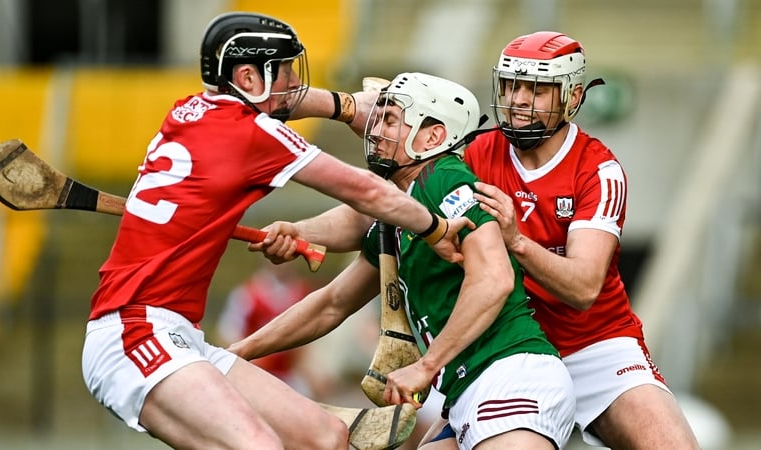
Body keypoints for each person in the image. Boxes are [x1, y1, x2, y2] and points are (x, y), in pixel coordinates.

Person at [251, 31, 701, 450]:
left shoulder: (596, 171)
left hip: (592, 346)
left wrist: (517, 242)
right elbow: (380, 203)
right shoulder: (472, 153)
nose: (519, 101)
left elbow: (583, 288)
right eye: (510, 87)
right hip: (498, 349)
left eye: (535, 89)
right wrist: (303, 225)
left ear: (573, 97)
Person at [80, 12, 474, 450]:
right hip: (136, 332)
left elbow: (283, 113)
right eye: (284, 70)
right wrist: (436, 228)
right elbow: (365, 192)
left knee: (326, 437)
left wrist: (344, 107)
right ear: (248, 76)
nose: (293, 83)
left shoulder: (190, 112)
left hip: (179, 334)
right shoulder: (251, 133)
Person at [230, 72, 576, 450]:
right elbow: (331, 305)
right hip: (466, 393)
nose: (375, 131)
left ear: (433, 138)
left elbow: (494, 279)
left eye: (391, 119)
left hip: (511, 378)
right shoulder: (400, 215)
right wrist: (234, 355)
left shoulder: (442, 180)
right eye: (377, 118)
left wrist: (426, 367)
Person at [215, 262, 332, 400]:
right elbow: (227, 334)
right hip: (257, 374)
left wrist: (312, 371)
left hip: (289, 375)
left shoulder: (302, 291)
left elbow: (307, 340)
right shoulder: (248, 294)